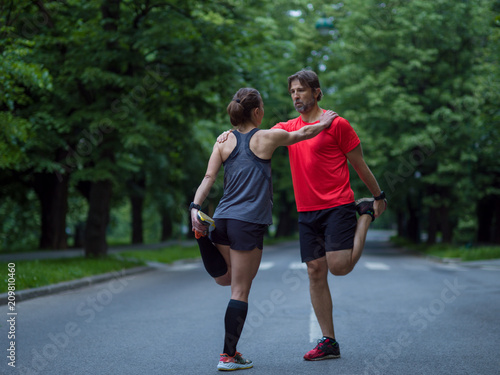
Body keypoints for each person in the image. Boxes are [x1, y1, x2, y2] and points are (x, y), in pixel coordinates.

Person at [218, 70, 387, 361]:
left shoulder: (338, 124)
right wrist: (228, 135)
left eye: (302, 90)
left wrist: (378, 196)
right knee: (315, 271)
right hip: (306, 210)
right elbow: (251, 138)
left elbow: (359, 164)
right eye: (292, 91)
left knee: (339, 267)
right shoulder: (286, 127)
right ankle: (329, 341)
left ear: (317, 92)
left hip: (337, 204)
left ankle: (365, 216)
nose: (296, 95)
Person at [190, 87, 337, 371]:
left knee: (226, 280)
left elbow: (209, 176)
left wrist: (195, 207)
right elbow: (303, 135)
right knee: (240, 290)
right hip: (249, 222)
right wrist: (326, 121)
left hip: (223, 218)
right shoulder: (266, 137)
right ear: (257, 111)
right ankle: (228, 356)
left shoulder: (223, 141)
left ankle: (202, 238)